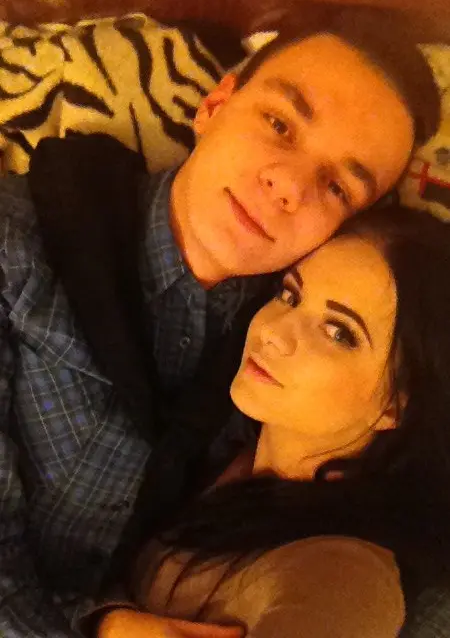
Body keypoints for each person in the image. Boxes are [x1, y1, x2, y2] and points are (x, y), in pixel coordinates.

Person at [0, 9, 440, 637]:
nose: (289, 187)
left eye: (339, 187)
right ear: (214, 105)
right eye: (279, 124)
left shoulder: (294, 353)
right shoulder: (18, 247)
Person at [97, 204, 450, 638]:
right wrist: (111, 621)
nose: (274, 332)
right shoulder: (231, 444)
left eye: (338, 332)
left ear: (397, 404)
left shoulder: (347, 574)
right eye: (290, 295)